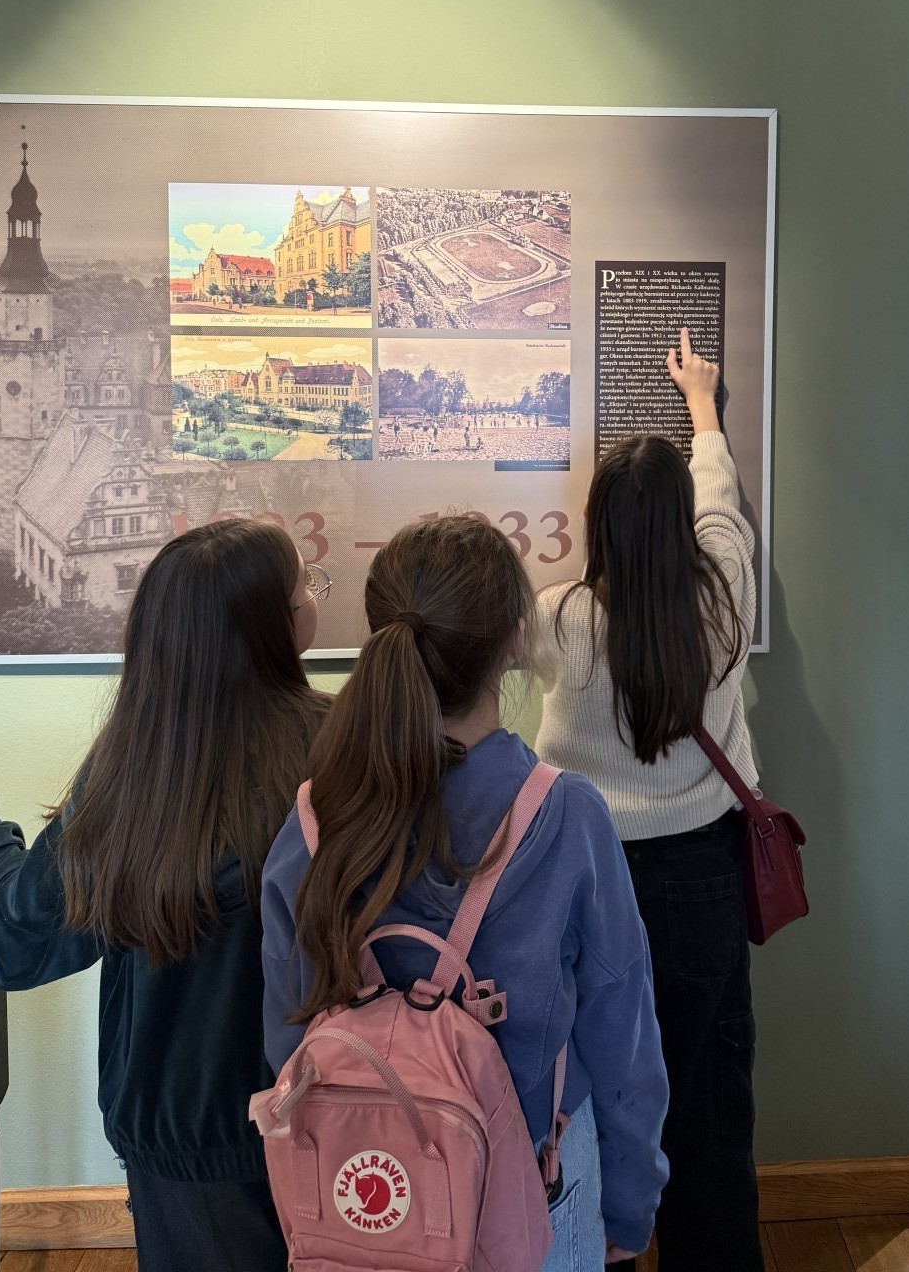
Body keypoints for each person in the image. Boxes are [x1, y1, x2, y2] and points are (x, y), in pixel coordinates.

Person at [261, 514, 669, 1268]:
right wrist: (631, 1204)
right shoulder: (566, 815)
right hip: (536, 1182)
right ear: (515, 641)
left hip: (367, 1191)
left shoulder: (316, 819)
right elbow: (623, 1040)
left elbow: (288, 1037)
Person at [0, 519, 331, 1272]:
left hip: (186, 1139)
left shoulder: (140, 771)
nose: (313, 599)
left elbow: (15, 940)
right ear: (276, 625)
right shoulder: (347, 746)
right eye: (307, 587)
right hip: (339, 1110)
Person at [536, 328, 763, 1272]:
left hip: (587, 886)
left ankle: (607, 1251)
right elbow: (720, 508)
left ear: (595, 524)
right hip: (704, 872)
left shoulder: (560, 618)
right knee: (710, 1105)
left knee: (594, 1095)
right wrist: (701, 404)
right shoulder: (724, 600)